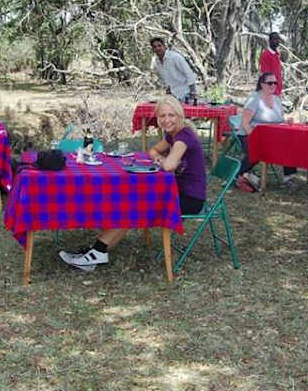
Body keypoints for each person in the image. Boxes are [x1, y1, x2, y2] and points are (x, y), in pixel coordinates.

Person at [60, 96, 206, 272]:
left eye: (171, 115)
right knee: (129, 201)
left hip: (189, 198)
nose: (166, 120)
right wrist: (160, 158)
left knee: (132, 206)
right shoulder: (172, 134)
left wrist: (163, 160)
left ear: (180, 115)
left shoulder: (183, 136)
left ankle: (96, 253)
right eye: (162, 116)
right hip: (174, 190)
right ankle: (97, 251)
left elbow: (169, 166)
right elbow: (153, 151)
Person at [234, 72, 297, 191]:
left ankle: (289, 177)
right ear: (262, 84)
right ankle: (236, 175)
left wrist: (287, 121)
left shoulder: (277, 100)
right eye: (270, 83)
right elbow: (245, 123)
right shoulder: (254, 99)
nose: (273, 85)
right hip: (250, 134)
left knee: (291, 143)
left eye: (275, 83)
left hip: (273, 136)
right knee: (256, 150)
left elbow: (279, 120)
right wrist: (254, 137)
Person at [150, 37, 197, 101]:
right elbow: (167, 79)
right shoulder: (157, 62)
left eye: (159, 45)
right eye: (154, 47)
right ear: (152, 49)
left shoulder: (175, 57)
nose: (157, 48)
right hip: (173, 96)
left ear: (164, 46)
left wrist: (193, 94)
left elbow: (189, 73)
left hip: (186, 93)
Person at [259, 32, 284, 96]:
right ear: (269, 41)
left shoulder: (276, 54)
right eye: (275, 39)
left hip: (278, 90)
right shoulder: (266, 55)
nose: (277, 41)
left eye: (278, 39)